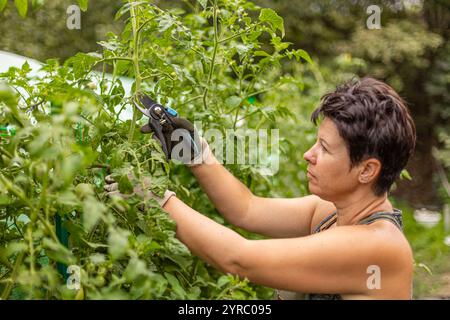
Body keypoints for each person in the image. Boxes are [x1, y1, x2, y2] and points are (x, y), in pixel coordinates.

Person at [105, 77, 417, 300]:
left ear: (367, 170)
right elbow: (247, 209)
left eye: (324, 147)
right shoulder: (328, 213)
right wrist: (196, 154)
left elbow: (239, 258)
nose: (308, 154)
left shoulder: (379, 247)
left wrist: (155, 198)